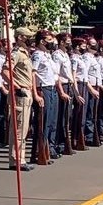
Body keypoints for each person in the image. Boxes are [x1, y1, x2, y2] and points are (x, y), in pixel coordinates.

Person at [7, 29, 37, 170]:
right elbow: (5, 71)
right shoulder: (16, 53)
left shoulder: (25, 53)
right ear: (20, 38)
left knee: (24, 128)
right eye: (28, 37)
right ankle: (16, 159)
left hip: (27, 92)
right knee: (19, 128)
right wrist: (17, 88)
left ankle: (21, 158)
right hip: (21, 92)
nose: (31, 39)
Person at [34, 31, 62, 160]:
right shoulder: (37, 55)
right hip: (43, 89)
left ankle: (49, 148)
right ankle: (40, 151)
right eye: (49, 40)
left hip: (52, 89)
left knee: (51, 121)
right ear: (42, 41)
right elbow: (32, 75)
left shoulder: (48, 55)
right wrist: (35, 93)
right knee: (43, 122)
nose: (52, 42)